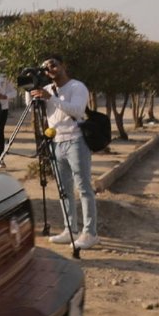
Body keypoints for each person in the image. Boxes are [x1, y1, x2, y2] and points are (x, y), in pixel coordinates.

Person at [29, 55, 98, 249]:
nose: (49, 68)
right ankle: (70, 229)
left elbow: (77, 111)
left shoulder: (77, 87)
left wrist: (51, 97)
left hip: (76, 140)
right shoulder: (47, 89)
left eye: (53, 64)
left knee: (84, 188)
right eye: (45, 67)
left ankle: (90, 233)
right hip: (55, 141)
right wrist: (32, 89)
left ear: (63, 66)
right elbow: (31, 107)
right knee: (63, 189)